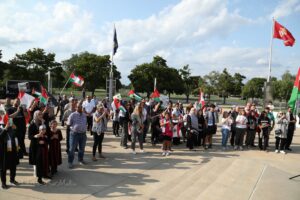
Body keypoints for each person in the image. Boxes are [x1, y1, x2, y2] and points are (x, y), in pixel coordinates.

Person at [28, 110, 48, 184]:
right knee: (37, 162)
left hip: (42, 145)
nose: (41, 115)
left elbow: (46, 132)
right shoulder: (32, 124)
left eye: (41, 114)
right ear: (35, 115)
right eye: (39, 114)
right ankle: (39, 178)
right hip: (35, 145)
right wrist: (36, 136)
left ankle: (42, 175)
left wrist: (43, 124)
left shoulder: (42, 123)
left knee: (42, 161)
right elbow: (30, 136)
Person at [0, 120, 20, 189]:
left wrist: (15, 129)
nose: (9, 123)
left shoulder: (12, 128)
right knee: (3, 168)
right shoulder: (1, 128)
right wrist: (5, 128)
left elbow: (17, 137)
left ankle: (12, 179)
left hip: (13, 150)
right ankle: (3, 183)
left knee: (13, 166)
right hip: (4, 152)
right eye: (7, 122)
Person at [67, 103, 87, 168]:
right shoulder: (72, 115)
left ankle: (80, 160)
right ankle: (70, 162)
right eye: (78, 107)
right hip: (74, 134)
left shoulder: (84, 115)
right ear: (76, 107)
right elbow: (68, 124)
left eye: (80, 107)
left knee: (82, 148)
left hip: (83, 134)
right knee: (72, 149)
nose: (79, 108)